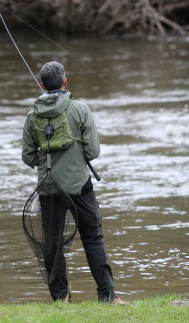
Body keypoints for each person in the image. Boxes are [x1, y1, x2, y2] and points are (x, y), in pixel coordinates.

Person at [21, 61, 126, 305]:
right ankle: (108, 296)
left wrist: (48, 158)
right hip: (80, 186)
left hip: (48, 188)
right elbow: (94, 151)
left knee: (53, 244)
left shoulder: (31, 114)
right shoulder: (80, 109)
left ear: (42, 85)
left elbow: (28, 157)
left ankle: (61, 298)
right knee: (93, 238)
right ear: (65, 83)